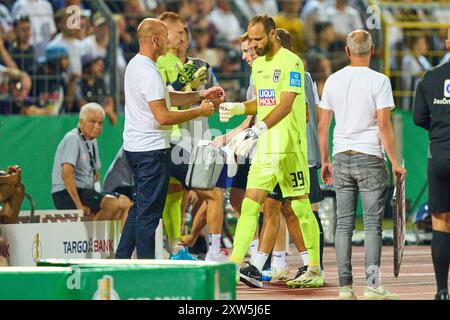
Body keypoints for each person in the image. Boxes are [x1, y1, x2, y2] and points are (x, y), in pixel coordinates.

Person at [219, 14, 323, 289]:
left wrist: (257, 129)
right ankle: (233, 267)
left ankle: (314, 268)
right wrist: (239, 107)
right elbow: (264, 102)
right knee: (250, 205)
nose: (253, 46)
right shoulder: (259, 66)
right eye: (250, 40)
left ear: (273, 34)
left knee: (300, 208)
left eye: (258, 39)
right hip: (266, 149)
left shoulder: (292, 62)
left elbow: (287, 104)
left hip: (290, 148)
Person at [115, 18, 223, 260]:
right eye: (165, 36)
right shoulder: (148, 71)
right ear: (154, 40)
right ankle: (146, 268)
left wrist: (200, 94)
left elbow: (167, 97)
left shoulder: (136, 65)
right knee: (148, 216)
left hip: (137, 149)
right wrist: (200, 110)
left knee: (138, 209)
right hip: (152, 152)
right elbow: (162, 116)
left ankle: (120, 260)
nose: (168, 41)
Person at [318, 30, 406, 300]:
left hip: (341, 156)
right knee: (371, 225)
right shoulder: (379, 81)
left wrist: (324, 160)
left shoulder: (333, 80)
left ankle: (345, 287)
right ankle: (372, 285)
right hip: (370, 158)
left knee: (343, 224)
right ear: (373, 50)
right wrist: (394, 161)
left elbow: (323, 125)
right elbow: (383, 124)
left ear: (346, 51)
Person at [413, 27, 450, 301]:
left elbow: (418, 118)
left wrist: (438, 130)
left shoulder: (430, 77)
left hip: (439, 156)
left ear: (447, 42)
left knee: (440, 224)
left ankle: (441, 291)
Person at [51, 103, 131, 222]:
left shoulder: (92, 141)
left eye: (100, 123)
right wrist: (79, 205)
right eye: (92, 122)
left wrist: (98, 193)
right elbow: (66, 173)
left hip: (86, 191)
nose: (97, 126)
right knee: (112, 204)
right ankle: (93, 240)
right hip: (65, 193)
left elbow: (95, 173)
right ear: (81, 121)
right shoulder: (73, 138)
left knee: (126, 203)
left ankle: (121, 240)